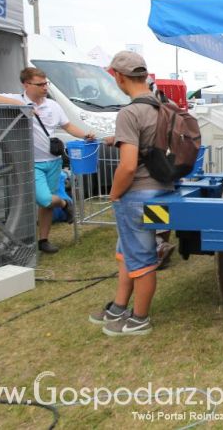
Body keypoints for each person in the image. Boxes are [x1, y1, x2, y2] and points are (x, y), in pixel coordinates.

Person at [89, 51, 174, 336]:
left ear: (118, 76)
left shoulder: (129, 112)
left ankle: (139, 319)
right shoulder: (165, 106)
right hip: (163, 188)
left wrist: (113, 195)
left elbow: (127, 167)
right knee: (128, 252)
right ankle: (119, 306)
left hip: (136, 194)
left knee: (140, 258)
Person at [0, 67, 95, 254]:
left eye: (46, 83)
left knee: (45, 204)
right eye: (40, 84)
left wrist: (85, 135)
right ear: (26, 84)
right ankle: (66, 204)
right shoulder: (17, 100)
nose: (44, 87)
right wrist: (22, 106)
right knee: (45, 199)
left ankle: (43, 240)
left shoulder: (53, 106)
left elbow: (67, 125)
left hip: (54, 160)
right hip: (31, 162)